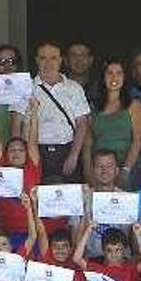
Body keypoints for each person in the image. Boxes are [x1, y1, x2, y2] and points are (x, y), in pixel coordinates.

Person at [30, 41, 91, 183]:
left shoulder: (74, 88)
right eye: (43, 58)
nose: (48, 63)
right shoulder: (27, 87)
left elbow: (82, 124)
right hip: (36, 153)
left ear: (61, 61)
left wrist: (74, 155)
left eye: (53, 58)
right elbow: (17, 126)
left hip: (67, 151)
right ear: (37, 60)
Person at [84, 59, 141, 189]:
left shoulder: (134, 106)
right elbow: (88, 143)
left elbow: (138, 140)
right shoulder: (94, 107)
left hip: (127, 168)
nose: (114, 77)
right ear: (103, 77)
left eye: (119, 73)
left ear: (125, 78)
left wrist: (125, 170)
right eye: (109, 73)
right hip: (101, 170)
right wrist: (88, 170)